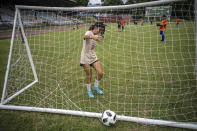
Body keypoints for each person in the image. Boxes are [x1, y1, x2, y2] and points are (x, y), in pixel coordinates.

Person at [80, 23, 104, 98]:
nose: (100, 32)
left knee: (100, 73)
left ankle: (95, 87)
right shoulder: (89, 32)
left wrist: (97, 38)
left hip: (93, 57)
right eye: (99, 30)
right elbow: (85, 36)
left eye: (101, 31)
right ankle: (89, 91)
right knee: (89, 75)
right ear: (96, 27)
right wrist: (92, 37)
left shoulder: (96, 35)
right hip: (85, 57)